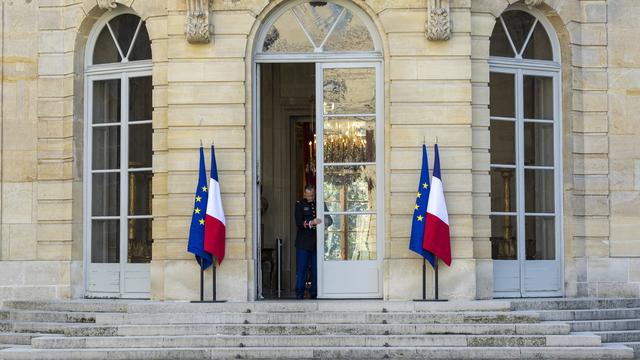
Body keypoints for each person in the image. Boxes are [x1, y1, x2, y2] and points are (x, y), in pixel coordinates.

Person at [294, 184, 332, 299]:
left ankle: (314, 293)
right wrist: (312, 222)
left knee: (316, 269)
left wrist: (325, 221)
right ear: (304, 193)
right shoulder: (299, 204)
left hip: (317, 242)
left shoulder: (320, 203)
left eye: (312, 195)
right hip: (303, 242)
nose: (310, 197)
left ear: (314, 194)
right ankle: (299, 293)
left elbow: (330, 220)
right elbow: (299, 222)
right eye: (308, 195)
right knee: (302, 269)